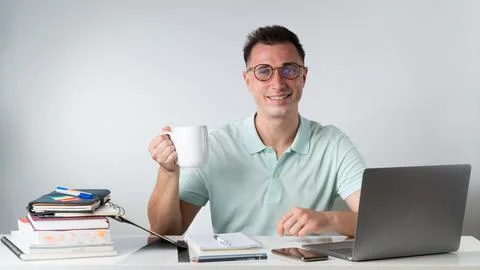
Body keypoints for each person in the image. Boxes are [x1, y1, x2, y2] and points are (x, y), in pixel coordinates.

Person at [147, 25, 366, 237]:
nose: (277, 83)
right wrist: (168, 172)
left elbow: (378, 220)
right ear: (247, 80)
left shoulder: (332, 143)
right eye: (264, 71)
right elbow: (165, 233)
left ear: (304, 77)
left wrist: (329, 220)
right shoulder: (216, 145)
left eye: (289, 70)